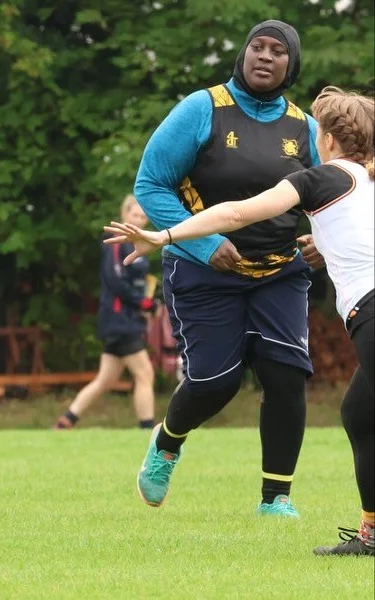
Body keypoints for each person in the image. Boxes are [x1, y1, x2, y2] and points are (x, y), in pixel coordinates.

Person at [106, 86, 374, 556]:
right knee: (357, 413)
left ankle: (327, 516)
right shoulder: (366, 182)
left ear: (327, 139)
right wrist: (324, 244)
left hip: (370, 312)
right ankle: (371, 534)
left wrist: (164, 234)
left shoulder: (317, 179)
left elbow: (233, 213)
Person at [131, 20, 326, 517]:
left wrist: (321, 240)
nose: (264, 57)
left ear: (292, 64)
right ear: (242, 56)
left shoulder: (305, 128)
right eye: (256, 47)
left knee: (284, 376)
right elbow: (151, 185)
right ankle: (168, 442)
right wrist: (206, 244)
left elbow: (332, 194)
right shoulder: (202, 108)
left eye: (277, 51)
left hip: (280, 269)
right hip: (204, 272)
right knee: (217, 382)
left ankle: (276, 499)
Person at [53, 195, 156, 430]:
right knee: (145, 374)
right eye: (134, 215)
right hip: (118, 320)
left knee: (104, 380)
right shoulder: (116, 242)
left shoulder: (137, 244)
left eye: (142, 217)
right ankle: (147, 428)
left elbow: (137, 283)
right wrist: (143, 303)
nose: (139, 221)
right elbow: (116, 281)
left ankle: (65, 421)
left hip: (127, 319)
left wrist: (149, 302)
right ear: (124, 215)